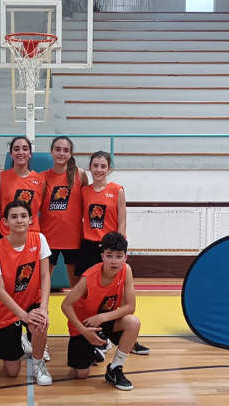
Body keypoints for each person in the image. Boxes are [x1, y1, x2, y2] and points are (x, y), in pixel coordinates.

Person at [76, 151, 148, 357]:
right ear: (90, 168)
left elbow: (122, 219)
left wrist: (120, 246)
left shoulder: (117, 190)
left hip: (111, 248)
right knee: (89, 293)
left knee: (118, 294)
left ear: (109, 169)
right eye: (95, 165)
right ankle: (95, 335)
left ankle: (127, 337)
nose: (99, 170)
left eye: (103, 166)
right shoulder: (84, 191)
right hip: (89, 246)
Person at [61, 232, 140, 391]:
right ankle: (93, 349)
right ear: (102, 256)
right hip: (85, 325)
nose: (114, 261)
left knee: (133, 322)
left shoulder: (126, 270)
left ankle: (115, 368)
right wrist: (83, 331)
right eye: (109, 255)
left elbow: (130, 307)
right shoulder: (89, 277)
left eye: (119, 256)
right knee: (81, 374)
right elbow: (66, 305)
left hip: (104, 319)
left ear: (125, 258)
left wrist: (102, 317)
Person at [0, 201, 53, 385]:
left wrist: (43, 308)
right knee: (12, 372)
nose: (19, 220)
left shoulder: (39, 239)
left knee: (41, 322)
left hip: (33, 301)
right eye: (14, 217)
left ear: (31, 219)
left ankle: (39, 364)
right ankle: (22, 339)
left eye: (23, 216)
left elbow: (45, 276)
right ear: (5, 222)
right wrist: (23, 315)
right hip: (8, 309)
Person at [40, 136, 88, 288]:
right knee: (42, 284)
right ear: (51, 152)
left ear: (71, 154)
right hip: (48, 237)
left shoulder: (80, 174)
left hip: (73, 237)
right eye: (58, 149)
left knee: (76, 285)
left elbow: (87, 203)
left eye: (66, 150)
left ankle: (79, 306)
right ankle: (41, 305)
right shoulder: (42, 177)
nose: (61, 153)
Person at [0, 136, 46, 239]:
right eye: (16, 149)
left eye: (25, 149)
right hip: (6, 235)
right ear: (11, 154)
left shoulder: (40, 180)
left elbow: (42, 210)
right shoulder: (0, 178)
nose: (21, 152)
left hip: (31, 235)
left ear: (30, 154)